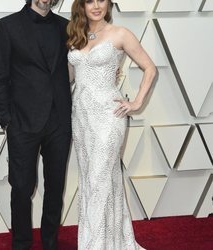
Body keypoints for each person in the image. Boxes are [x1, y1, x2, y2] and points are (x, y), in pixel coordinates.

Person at [67, 0, 156, 249]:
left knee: (98, 179)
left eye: (101, 0)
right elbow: (70, 76)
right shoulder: (76, 36)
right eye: (89, 1)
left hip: (109, 116)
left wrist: (136, 102)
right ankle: (113, 242)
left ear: (108, 3)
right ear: (81, 6)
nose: (96, 6)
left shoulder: (120, 33)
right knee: (93, 180)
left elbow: (149, 68)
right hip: (81, 118)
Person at [0, 0, 72, 249]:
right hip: (23, 123)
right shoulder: (7, 26)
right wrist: (7, 121)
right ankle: (22, 243)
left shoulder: (66, 27)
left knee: (55, 187)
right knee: (22, 189)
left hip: (59, 121)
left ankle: (50, 242)